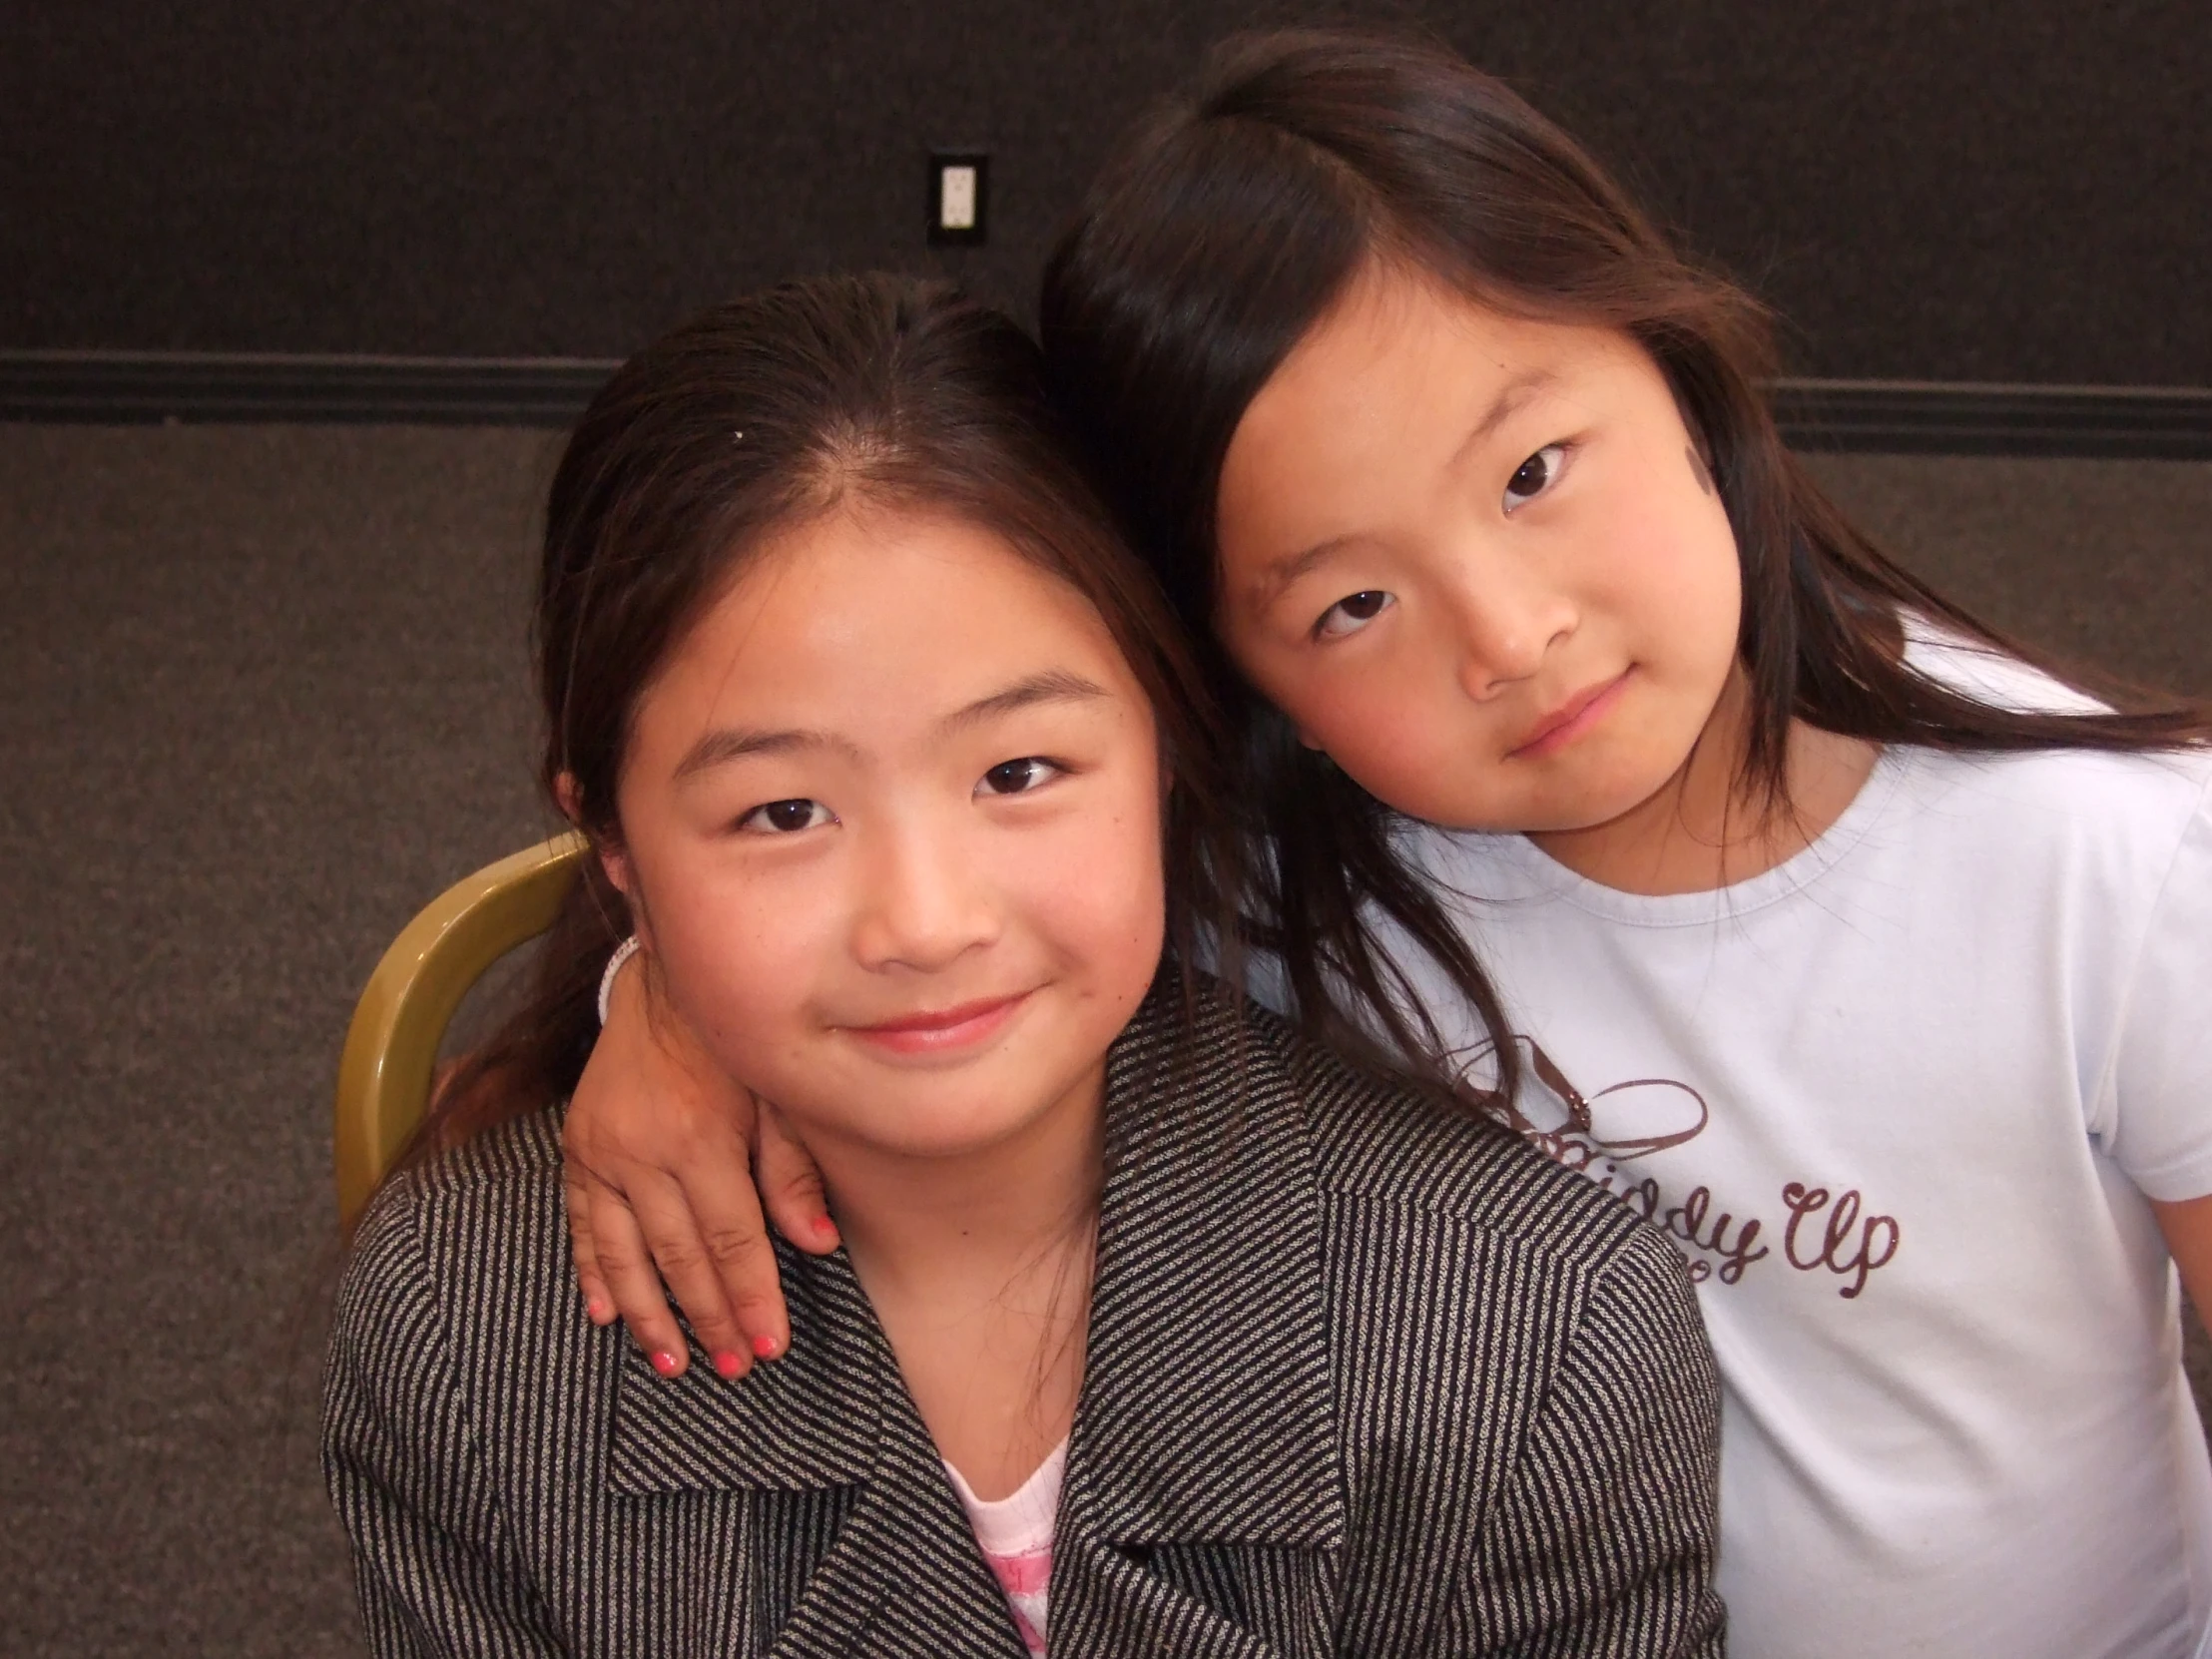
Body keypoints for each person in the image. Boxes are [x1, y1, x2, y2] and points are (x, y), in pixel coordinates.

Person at [559, 30, 2212, 1659]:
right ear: (1219, 670)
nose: (1506, 636)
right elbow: (877, 838)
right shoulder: (1276, 861)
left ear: (1682, 371)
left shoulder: (2112, 858)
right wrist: (663, 1001)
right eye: (1350, 602)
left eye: (1535, 469)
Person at [322, 274, 1725, 1658]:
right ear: (612, 842)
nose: (923, 921)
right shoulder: (469, 1338)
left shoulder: (1539, 1327)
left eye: (1018, 769)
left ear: (1172, 753)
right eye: (784, 812)